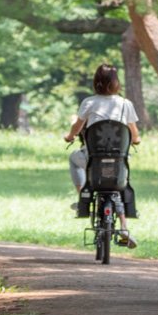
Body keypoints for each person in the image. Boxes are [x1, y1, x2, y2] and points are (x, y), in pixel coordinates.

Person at [64, 64, 141, 248]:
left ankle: (82, 192)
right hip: (119, 160)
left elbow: (77, 127)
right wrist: (136, 141)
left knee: (74, 159)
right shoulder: (125, 104)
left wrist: (70, 136)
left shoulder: (89, 102)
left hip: (93, 159)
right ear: (117, 83)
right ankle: (123, 226)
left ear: (95, 82)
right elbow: (134, 135)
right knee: (119, 188)